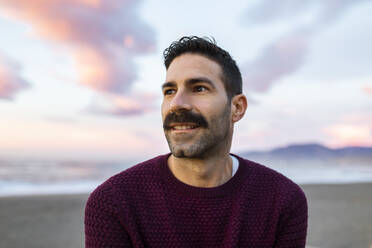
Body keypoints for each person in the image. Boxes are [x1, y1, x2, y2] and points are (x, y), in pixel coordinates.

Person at [84, 36, 308, 247]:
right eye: (170, 91)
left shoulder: (283, 200)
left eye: (199, 88)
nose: (176, 104)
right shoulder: (114, 203)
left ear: (237, 108)